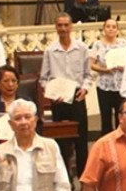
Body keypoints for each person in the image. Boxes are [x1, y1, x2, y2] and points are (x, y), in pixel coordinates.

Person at [39, 12, 91, 179]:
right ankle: (64, 180)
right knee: (62, 143)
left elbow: (88, 75)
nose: (63, 28)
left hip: (77, 97)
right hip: (58, 100)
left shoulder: (82, 48)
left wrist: (85, 89)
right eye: (59, 25)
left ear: (71, 27)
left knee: (81, 141)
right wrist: (51, 93)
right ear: (56, 27)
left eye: (66, 25)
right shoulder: (50, 50)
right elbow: (43, 78)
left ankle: (83, 179)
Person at [89, 18, 126, 135]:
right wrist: (105, 70)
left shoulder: (123, 43)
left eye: (113, 27)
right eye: (108, 26)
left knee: (120, 117)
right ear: (103, 29)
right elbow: (91, 64)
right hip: (104, 86)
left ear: (117, 30)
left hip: (120, 86)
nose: (111, 29)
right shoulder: (97, 44)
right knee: (105, 118)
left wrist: (123, 66)